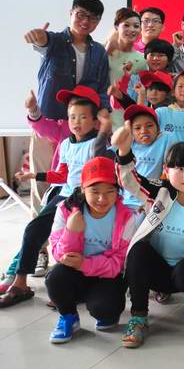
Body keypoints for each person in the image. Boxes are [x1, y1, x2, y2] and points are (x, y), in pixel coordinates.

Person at [0, 86, 110, 309]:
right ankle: (20, 283)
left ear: (94, 120)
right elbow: (62, 175)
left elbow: (101, 172)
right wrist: (35, 175)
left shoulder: (98, 144)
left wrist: (105, 129)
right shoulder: (66, 143)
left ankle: (69, 288)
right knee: (34, 229)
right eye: (72, 117)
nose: (76, 122)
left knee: (74, 239)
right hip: (65, 196)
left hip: (87, 198)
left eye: (83, 117)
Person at [113, 135, 184, 349]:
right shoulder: (159, 191)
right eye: (179, 169)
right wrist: (124, 153)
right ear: (166, 169)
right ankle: (138, 317)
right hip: (159, 271)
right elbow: (130, 181)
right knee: (138, 250)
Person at [44, 156, 137, 343]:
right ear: (83, 188)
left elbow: (119, 263)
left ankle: (104, 308)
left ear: (118, 191)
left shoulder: (126, 218)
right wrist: (71, 231)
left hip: (107, 276)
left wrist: (84, 264)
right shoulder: (65, 209)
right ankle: (68, 316)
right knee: (55, 277)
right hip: (74, 271)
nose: (102, 199)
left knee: (106, 311)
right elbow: (58, 254)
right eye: (95, 191)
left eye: (110, 191)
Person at [24, 0, 110, 174]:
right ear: (71, 13)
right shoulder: (55, 41)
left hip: (82, 124)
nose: (85, 21)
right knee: (41, 176)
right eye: (81, 15)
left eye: (93, 18)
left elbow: (103, 87)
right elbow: (43, 40)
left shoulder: (99, 52)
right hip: (47, 120)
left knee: (75, 176)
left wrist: (103, 111)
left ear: (98, 22)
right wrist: (38, 36)